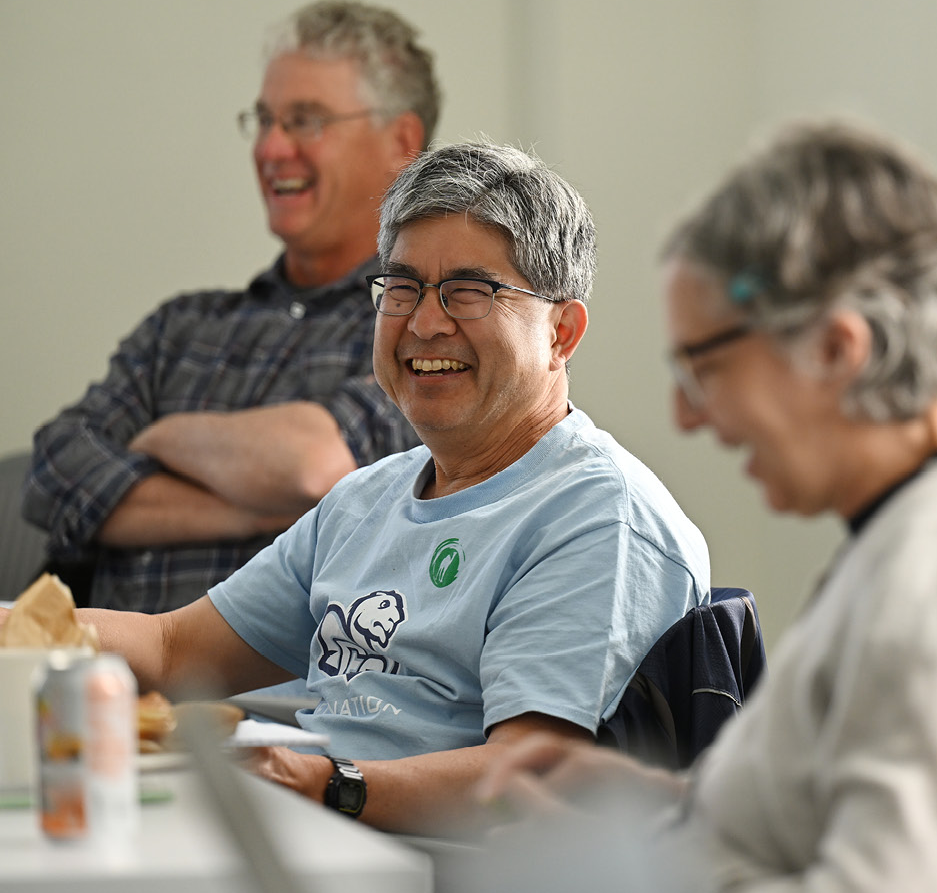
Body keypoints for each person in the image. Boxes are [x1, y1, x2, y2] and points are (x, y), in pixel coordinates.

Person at [478, 122, 937, 893]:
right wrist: (655, 800)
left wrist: (634, 870)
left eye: (704, 369)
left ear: (835, 348)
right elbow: (842, 817)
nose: (686, 416)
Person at [45, 140, 711, 833]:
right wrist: (17, 630)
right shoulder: (369, 499)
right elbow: (175, 649)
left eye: (469, 291)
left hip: (427, 884)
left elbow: (526, 775)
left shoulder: (596, 515)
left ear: (561, 333)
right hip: (308, 841)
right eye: (402, 286)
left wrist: (324, 785)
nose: (425, 321)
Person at [22, 0, 433, 613]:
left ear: (401, 143)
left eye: (305, 120)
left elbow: (312, 462)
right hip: (109, 692)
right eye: (265, 119)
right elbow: (54, 468)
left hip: (294, 704)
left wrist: (160, 438)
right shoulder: (180, 327)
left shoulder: (425, 327)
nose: (271, 148)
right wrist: (261, 506)